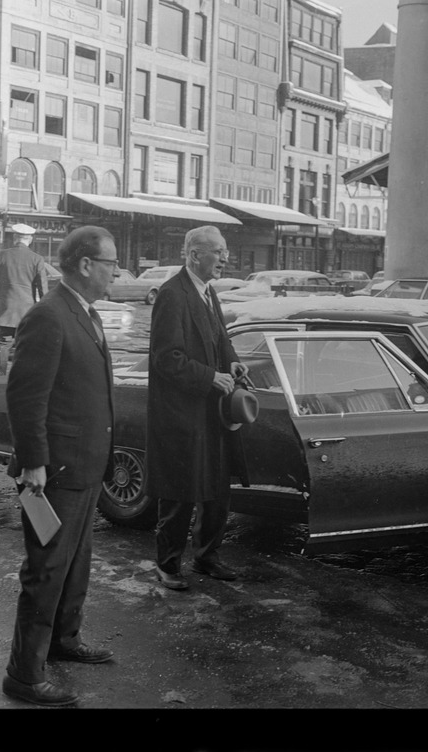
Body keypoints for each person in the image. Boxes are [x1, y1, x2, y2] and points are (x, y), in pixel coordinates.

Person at [1, 226, 119, 707]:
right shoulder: (48, 315)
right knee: (47, 570)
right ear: (86, 265)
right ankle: (23, 675)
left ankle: (63, 640)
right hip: (56, 472)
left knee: (75, 564)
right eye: (111, 263)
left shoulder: (84, 312)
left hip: (85, 465)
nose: (117, 271)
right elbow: (26, 398)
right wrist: (33, 464)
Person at [145, 225, 249, 591]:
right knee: (181, 490)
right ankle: (168, 564)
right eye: (218, 252)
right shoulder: (172, 295)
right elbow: (165, 358)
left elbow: (220, 338)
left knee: (216, 487)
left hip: (209, 412)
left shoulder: (207, 292)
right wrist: (210, 378)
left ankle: (207, 556)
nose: (225, 258)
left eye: (224, 252)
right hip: (182, 414)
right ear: (194, 255)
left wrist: (232, 362)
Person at [0, 223, 48, 375]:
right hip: (27, 314)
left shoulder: (1, 256)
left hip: (6, 312)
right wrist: (44, 311)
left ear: (15, 238)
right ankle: (23, 378)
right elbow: (43, 290)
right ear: (30, 239)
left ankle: (0, 377)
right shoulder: (37, 259)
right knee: (26, 345)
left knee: (3, 345)